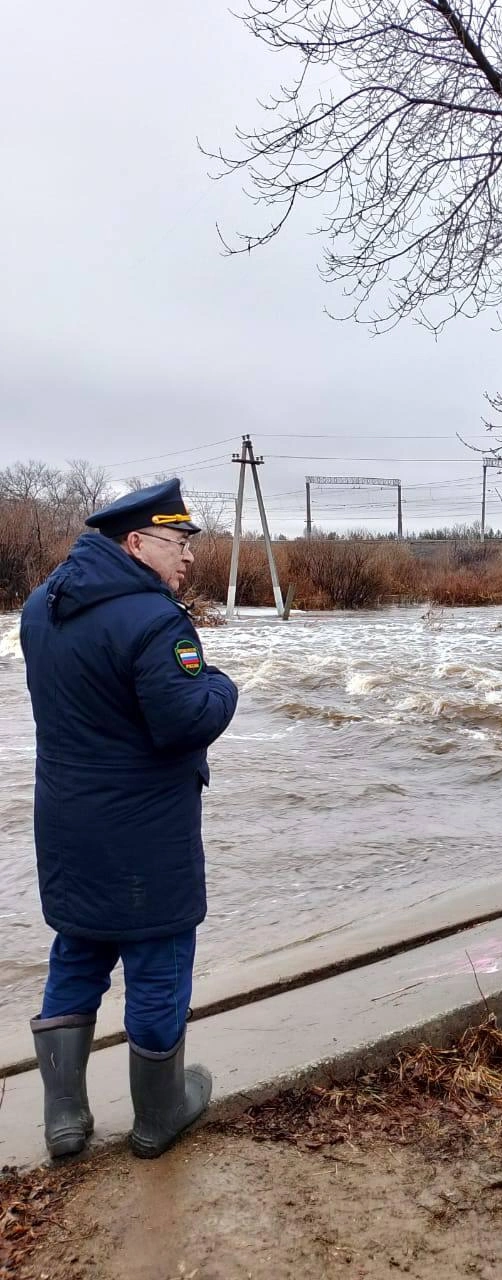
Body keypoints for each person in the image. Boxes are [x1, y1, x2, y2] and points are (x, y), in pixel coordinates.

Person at [20, 478, 238, 1160]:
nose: (190, 558)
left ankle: (64, 1119)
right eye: (179, 543)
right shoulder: (154, 619)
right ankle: (158, 1116)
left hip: (64, 818)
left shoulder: (38, 607)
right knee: (158, 955)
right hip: (145, 828)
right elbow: (184, 723)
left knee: (78, 948)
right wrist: (221, 685)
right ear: (135, 543)